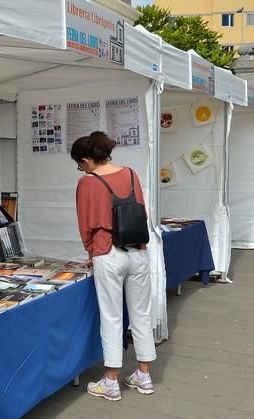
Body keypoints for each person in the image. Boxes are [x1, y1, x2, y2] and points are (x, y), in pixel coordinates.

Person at [71, 131, 156, 402]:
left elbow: (86, 225)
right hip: (138, 250)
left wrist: (91, 251)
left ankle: (110, 382)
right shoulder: (131, 174)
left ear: (86, 160)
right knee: (141, 313)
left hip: (108, 253)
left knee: (111, 316)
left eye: (78, 164)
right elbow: (142, 210)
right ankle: (143, 375)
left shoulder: (87, 182)